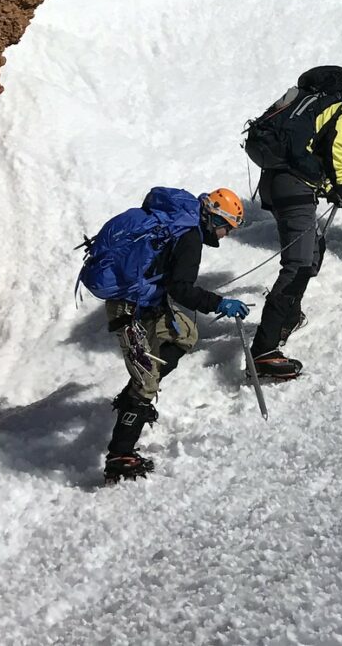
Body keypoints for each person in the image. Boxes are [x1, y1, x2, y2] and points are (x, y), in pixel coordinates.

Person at [99, 187, 248, 483]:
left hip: (146, 301)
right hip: (129, 308)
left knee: (186, 334)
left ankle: (134, 398)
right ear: (214, 219)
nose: (224, 235)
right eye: (226, 228)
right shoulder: (190, 235)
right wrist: (219, 303)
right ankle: (120, 453)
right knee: (147, 380)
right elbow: (182, 289)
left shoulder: (182, 222)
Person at [247, 78, 342, 380]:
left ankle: (288, 318)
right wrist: (337, 184)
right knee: (297, 265)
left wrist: (325, 184)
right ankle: (263, 352)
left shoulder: (322, 100)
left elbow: (314, 146)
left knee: (310, 256)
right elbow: (338, 144)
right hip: (292, 186)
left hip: (276, 181)